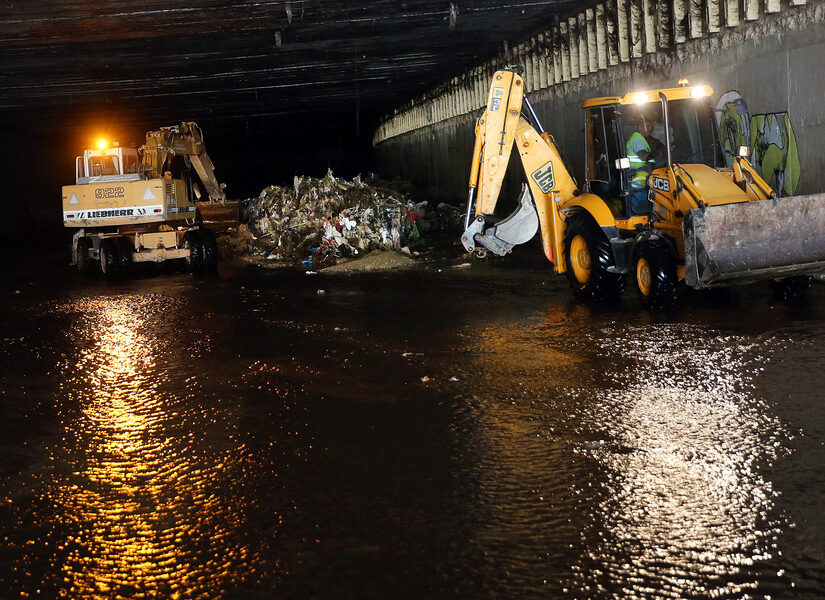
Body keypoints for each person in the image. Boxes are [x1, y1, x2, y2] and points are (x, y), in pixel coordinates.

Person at [626, 114, 653, 215]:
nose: (650, 129)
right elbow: (643, 156)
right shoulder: (637, 138)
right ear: (641, 127)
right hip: (637, 178)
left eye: (651, 126)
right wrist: (656, 153)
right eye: (648, 126)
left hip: (639, 176)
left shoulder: (640, 139)